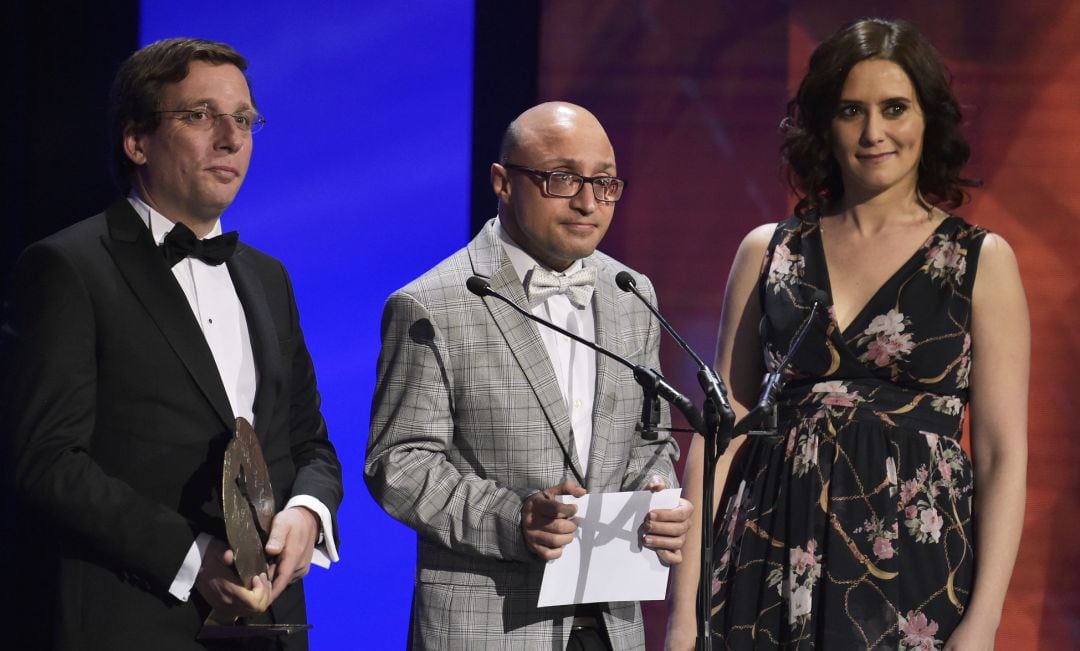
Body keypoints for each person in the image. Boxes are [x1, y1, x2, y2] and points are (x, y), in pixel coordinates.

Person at [667, 18, 1028, 650]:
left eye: (895, 108)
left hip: (915, 574)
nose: (873, 133)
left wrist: (984, 623)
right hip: (767, 556)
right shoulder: (768, 252)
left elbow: (1001, 454)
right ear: (823, 125)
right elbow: (721, 437)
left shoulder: (980, 260)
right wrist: (683, 618)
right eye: (850, 110)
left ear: (927, 119)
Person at [6, 38, 344, 651]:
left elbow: (308, 442)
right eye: (200, 115)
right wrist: (195, 558)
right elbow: (47, 461)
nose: (231, 138)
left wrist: (308, 515)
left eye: (243, 119)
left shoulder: (269, 277)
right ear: (136, 141)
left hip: (270, 623)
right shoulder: (67, 267)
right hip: (133, 618)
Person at [365, 101, 693, 650]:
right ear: (502, 181)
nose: (588, 202)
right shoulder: (432, 304)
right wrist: (515, 519)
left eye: (605, 182)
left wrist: (655, 496)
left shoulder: (632, 293)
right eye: (561, 179)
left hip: (611, 622)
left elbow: (651, 440)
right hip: (487, 625)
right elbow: (397, 463)